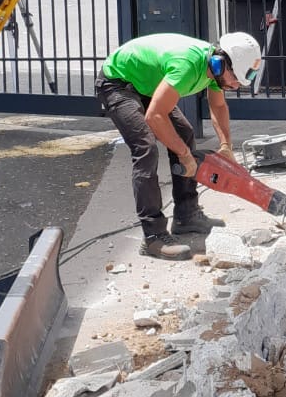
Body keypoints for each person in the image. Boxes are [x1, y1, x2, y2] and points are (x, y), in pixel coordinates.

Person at [95, 30, 263, 259]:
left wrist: (226, 146)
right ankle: (153, 237)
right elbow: (154, 117)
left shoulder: (217, 69)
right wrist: (184, 155)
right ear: (221, 63)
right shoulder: (188, 65)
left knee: (183, 133)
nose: (235, 86)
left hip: (146, 84)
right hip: (118, 83)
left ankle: (186, 216)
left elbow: (219, 107)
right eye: (235, 79)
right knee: (145, 148)